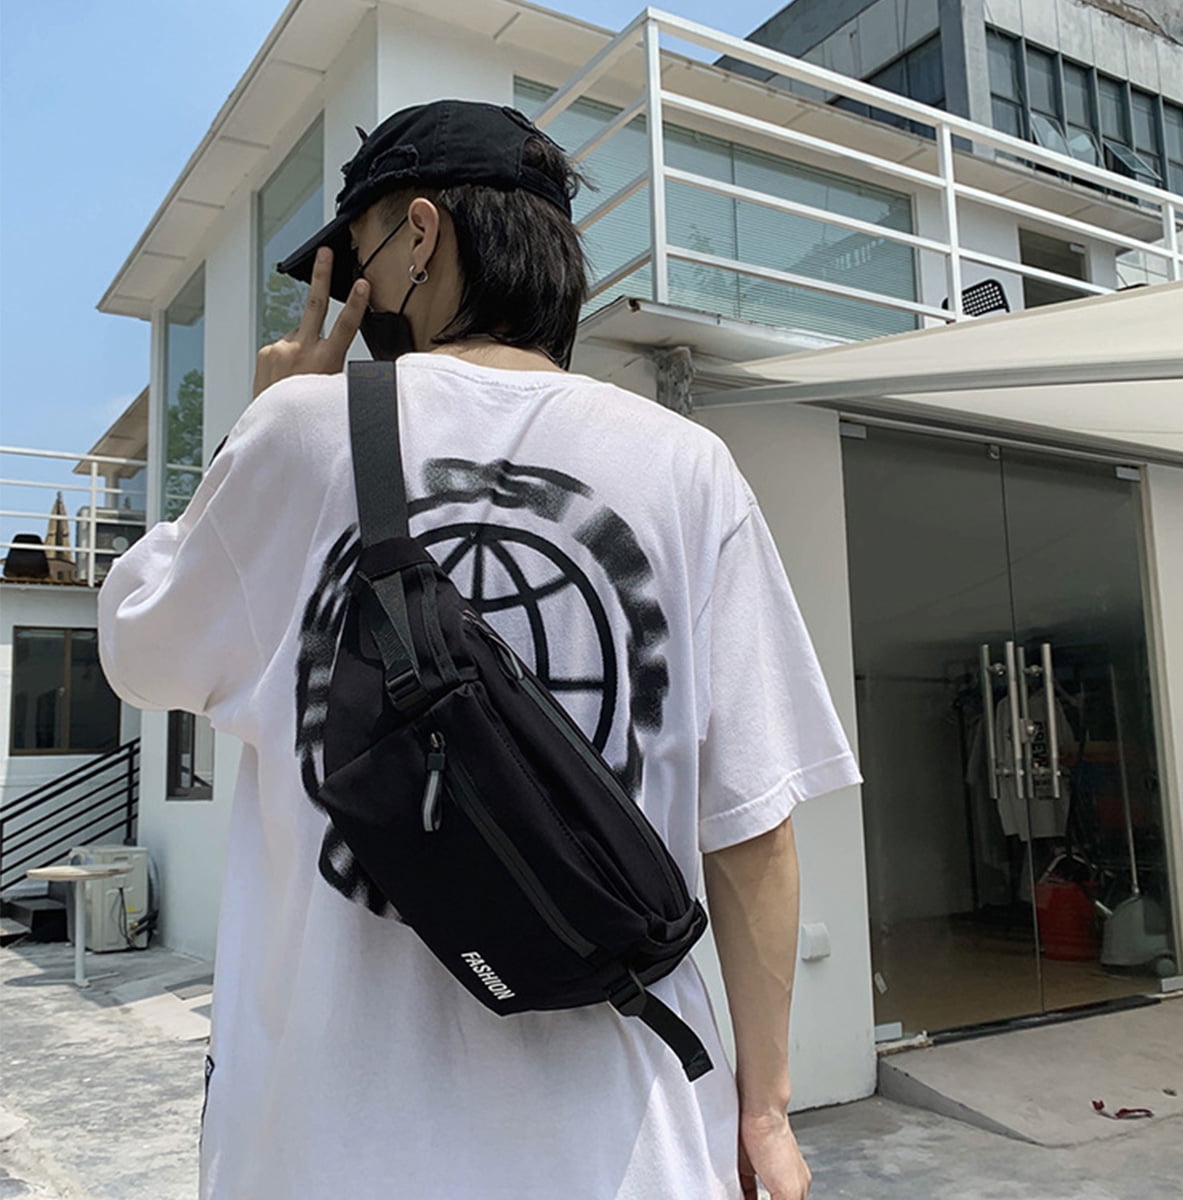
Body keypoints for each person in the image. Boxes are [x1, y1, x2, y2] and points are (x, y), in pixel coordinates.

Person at [98, 99, 861, 1200]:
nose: (351, 301)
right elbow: (753, 830)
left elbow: (138, 650)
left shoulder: (299, 432)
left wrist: (252, 431)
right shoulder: (690, 465)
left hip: (328, 1153)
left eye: (356, 263)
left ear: (420, 235)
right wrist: (767, 1112)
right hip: (629, 1145)